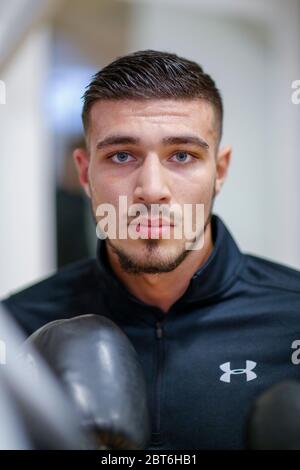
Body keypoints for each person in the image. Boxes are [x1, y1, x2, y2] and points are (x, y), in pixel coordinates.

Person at [2, 50, 300, 450]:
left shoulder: (292, 320)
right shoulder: (16, 329)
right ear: (85, 173)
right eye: (121, 156)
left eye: (182, 155)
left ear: (220, 170)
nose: (153, 189)